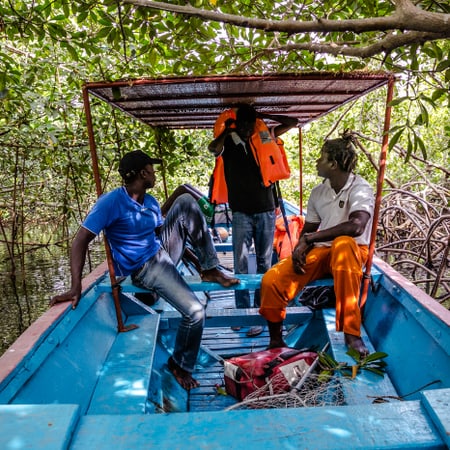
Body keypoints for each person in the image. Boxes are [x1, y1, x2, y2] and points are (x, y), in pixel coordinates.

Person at [50, 150, 239, 390]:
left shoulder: (149, 201)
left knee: (185, 201)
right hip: (145, 266)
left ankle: (210, 268)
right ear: (142, 173)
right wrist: (75, 286)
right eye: (151, 170)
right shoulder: (111, 202)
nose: (154, 174)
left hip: (160, 252)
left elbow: (164, 233)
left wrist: (200, 263)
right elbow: (80, 241)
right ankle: (179, 364)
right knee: (195, 313)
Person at [259, 136, 374, 357]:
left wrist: (311, 238)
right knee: (272, 280)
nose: (316, 161)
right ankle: (275, 340)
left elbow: (357, 226)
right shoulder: (318, 192)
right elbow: (309, 228)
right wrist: (302, 245)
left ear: (333, 164)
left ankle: (352, 333)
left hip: (351, 252)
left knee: (343, 244)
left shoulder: (360, 188)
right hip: (322, 251)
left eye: (321, 158)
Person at [208, 104, 297, 337]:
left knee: (264, 264)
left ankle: (261, 311)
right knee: (240, 264)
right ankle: (241, 312)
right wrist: (228, 131)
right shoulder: (228, 141)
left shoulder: (265, 135)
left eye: (251, 124)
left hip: (266, 210)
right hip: (240, 212)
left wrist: (264, 117)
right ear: (238, 123)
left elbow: (292, 122)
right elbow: (212, 148)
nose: (248, 129)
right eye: (245, 124)